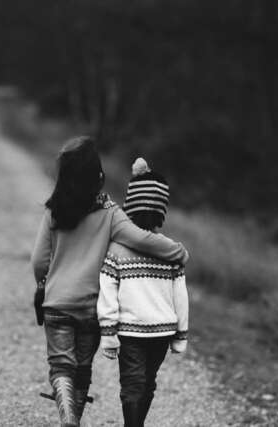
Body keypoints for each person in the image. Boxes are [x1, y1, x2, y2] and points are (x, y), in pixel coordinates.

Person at [30, 137, 189, 427]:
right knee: (82, 369)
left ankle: (68, 416)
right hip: (90, 307)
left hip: (57, 304)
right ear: (99, 177)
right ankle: (74, 417)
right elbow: (143, 239)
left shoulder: (54, 211)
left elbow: (39, 261)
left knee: (61, 366)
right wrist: (178, 252)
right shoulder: (111, 214)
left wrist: (43, 283)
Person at [97, 157, 189, 427]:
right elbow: (181, 297)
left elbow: (107, 290)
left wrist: (108, 331)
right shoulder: (170, 251)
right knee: (144, 383)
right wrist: (180, 334)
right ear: (161, 211)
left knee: (137, 384)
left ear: (130, 207)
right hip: (151, 332)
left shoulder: (117, 249)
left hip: (139, 332)